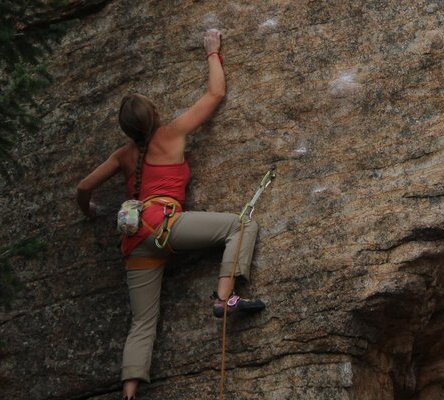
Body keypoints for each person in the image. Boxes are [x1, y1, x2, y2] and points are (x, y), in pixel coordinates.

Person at [75, 29, 264, 400]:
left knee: (143, 322)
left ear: (128, 130)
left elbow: (82, 188)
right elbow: (216, 95)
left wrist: (90, 211)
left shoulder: (122, 156)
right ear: (156, 116)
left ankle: (129, 391)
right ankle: (224, 298)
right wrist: (213, 51)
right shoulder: (173, 133)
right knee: (242, 225)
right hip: (167, 227)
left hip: (136, 241)